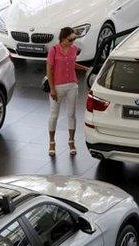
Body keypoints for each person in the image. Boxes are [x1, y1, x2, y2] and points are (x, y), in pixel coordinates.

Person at [46, 27, 89, 157]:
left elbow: (71, 64)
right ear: (63, 38)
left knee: (71, 114)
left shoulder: (74, 49)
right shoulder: (53, 50)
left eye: (74, 39)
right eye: (71, 39)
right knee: (54, 115)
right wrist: (52, 88)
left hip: (72, 85)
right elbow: (49, 69)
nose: (73, 42)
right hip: (57, 87)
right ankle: (52, 142)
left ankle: (71, 142)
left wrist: (85, 68)